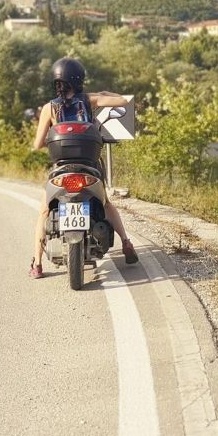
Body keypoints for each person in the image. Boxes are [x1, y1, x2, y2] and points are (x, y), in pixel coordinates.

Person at [29, 57, 138, 279]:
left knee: (44, 211)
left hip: (61, 168)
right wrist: (106, 93)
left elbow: (37, 144)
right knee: (106, 204)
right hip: (89, 166)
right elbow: (122, 102)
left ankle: (37, 264)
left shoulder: (49, 108)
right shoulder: (89, 100)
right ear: (79, 79)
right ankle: (126, 243)